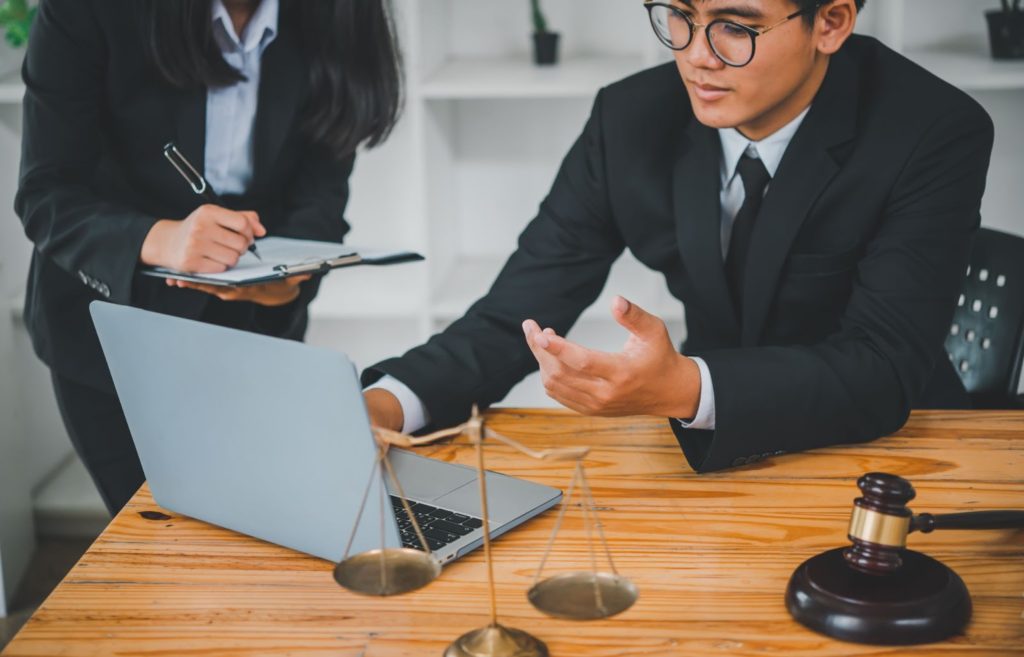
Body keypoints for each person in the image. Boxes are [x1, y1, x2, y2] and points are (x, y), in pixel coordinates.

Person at [363, 0, 994, 472]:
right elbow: (515, 314)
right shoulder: (629, 119)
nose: (696, 54)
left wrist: (686, 388)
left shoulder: (932, 130)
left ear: (829, 23)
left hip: (896, 451)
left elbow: (882, 366)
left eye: (736, 27)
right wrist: (387, 406)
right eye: (680, 16)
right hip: (712, 452)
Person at [16, 0, 402, 513]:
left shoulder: (331, 17)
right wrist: (160, 239)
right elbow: (46, 194)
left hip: (256, 333)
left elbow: (320, 200)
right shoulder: (86, 10)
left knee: (259, 529)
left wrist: (290, 279)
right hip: (111, 339)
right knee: (158, 543)